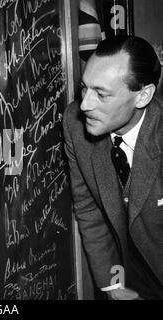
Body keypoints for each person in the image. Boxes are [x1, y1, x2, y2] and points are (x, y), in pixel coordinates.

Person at [63, 35, 163, 300]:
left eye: (101, 94)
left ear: (143, 95)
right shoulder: (75, 124)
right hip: (132, 276)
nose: (85, 105)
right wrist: (112, 284)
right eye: (85, 88)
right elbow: (88, 207)